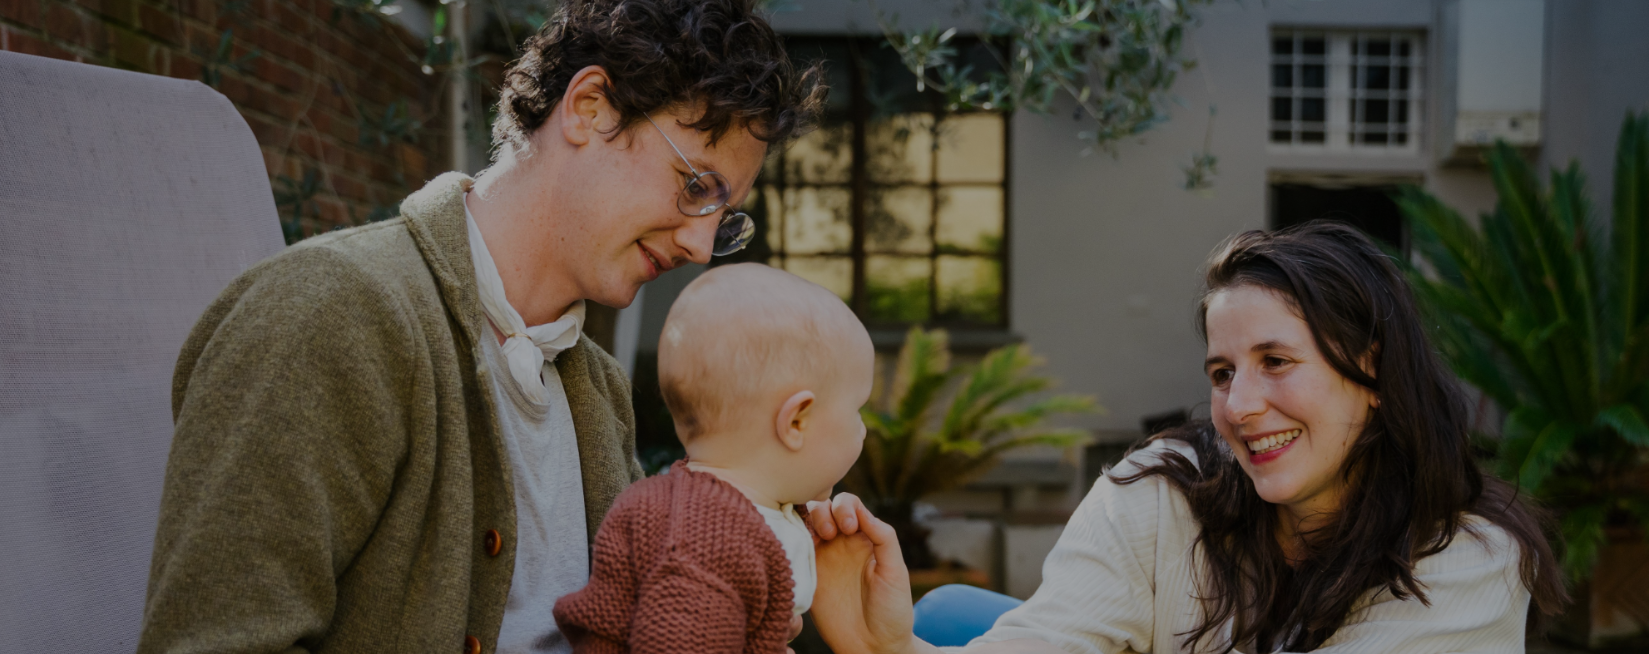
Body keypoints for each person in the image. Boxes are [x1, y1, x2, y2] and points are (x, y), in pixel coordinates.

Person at [135, 1, 823, 652]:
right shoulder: (329, 316)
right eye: (696, 186)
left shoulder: (598, 392)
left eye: (723, 218)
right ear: (590, 108)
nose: (700, 247)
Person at [807, 221, 1569, 654]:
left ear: (1369, 371)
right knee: (944, 617)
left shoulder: (1465, 560)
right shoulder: (1162, 491)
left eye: (1276, 362)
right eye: (1221, 372)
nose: (1240, 405)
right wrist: (890, 649)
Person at [552, 263, 873, 653]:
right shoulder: (704, 543)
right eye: (856, 410)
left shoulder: (725, 508)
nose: (863, 429)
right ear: (796, 421)